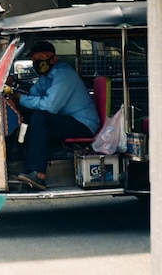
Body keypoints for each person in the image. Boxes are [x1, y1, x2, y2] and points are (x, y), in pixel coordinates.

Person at [10, 40, 100, 190]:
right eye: (35, 59)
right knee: (29, 113)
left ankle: (39, 175)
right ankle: (21, 162)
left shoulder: (64, 75)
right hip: (67, 120)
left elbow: (49, 106)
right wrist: (16, 95)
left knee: (41, 117)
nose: (38, 62)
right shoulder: (46, 76)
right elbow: (33, 94)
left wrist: (21, 99)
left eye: (42, 57)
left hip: (83, 124)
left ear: (54, 59)